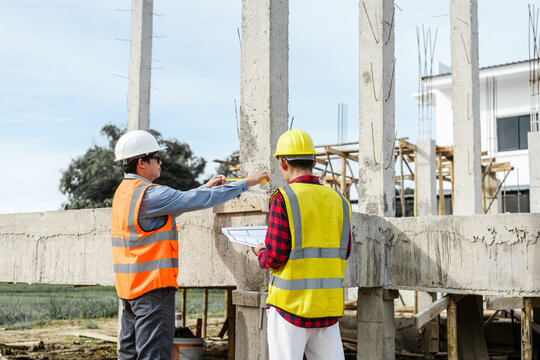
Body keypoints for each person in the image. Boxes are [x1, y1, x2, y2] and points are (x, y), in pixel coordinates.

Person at [111, 130, 269, 360]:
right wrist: (246, 183)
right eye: (156, 157)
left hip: (128, 290)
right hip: (152, 290)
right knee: (153, 355)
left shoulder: (124, 193)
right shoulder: (150, 195)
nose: (160, 162)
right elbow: (193, 201)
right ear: (142, 162)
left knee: (128, 354)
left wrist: (204, 188)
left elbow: (179, 202)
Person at [252, 129, 351, 360]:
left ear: (283, 163)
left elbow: (274, 257)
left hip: (290, 309)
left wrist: (260, 252)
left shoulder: (283, 197)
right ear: (314, 161)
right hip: (327, 308)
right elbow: (343, 252)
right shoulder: (340, 201)